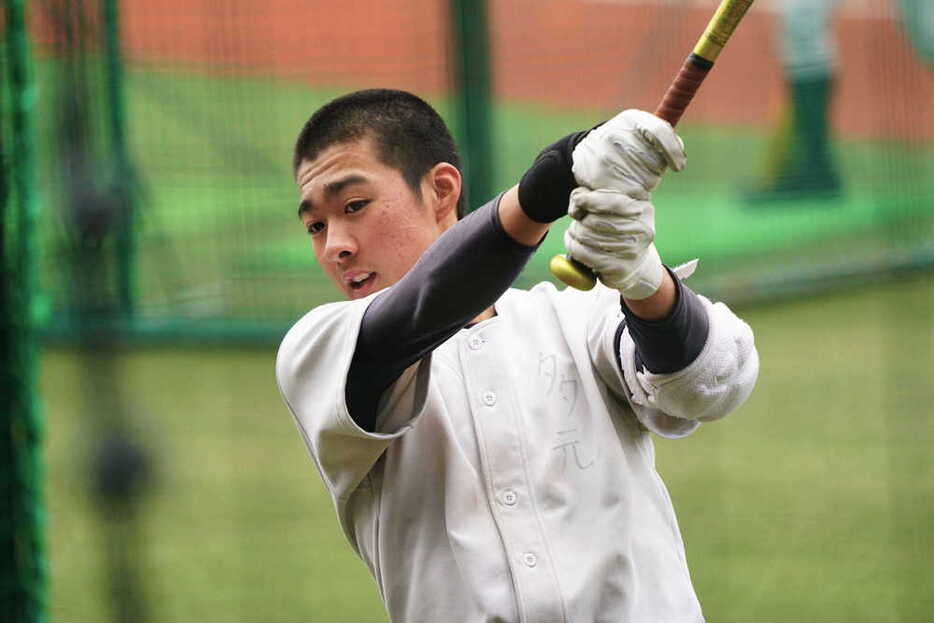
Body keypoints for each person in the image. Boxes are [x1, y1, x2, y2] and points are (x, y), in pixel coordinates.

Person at [276, 89, 759, 622]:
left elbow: (714, 381)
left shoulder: (576, 318)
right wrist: (556, 176)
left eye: (353, 207)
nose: (334, 245)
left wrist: (645, 280)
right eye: (315, 226)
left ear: (441, 190)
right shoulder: (320, 353)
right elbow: (424, 305)